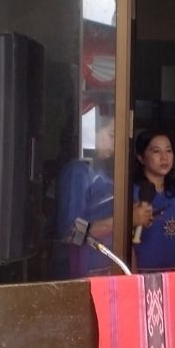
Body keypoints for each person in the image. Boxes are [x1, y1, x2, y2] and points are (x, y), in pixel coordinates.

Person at [51, 112, 152, 279]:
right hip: (81, 272)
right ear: (91, 132)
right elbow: (70, 232)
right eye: (112, 135)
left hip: (105, 268)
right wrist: (126, 219)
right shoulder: (77, 172)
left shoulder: (101, 170)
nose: (115, 144)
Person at [131, 129, 175, 273]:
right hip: (141, 274)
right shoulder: (132, 192)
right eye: (156, 151)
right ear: (141, 157)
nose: (164, 157)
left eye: (168, 151)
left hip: (172, 274)